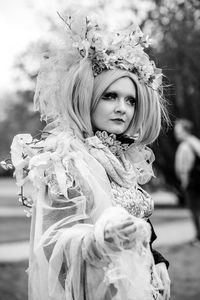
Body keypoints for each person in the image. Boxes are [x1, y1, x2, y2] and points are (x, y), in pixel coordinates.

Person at [9, 11, 170, 300]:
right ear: (88, 98)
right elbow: (54, 241)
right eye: (110, 96)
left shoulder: (124, 157)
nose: (122, 107)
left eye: (130, 100)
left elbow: (136, 221)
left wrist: (156, 261)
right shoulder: (64, 159)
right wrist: (100, 242)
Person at [174, 119, 200, 244]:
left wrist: (184, 181)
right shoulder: (195, 141)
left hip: (192, 182)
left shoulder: (185, 146)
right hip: (197, 181)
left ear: (185, 131)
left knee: (194, 209)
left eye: (178, 130)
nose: (176, 134)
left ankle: (198, 237)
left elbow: (184, 167)